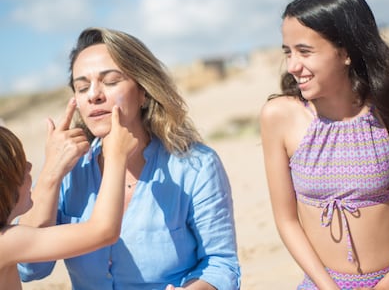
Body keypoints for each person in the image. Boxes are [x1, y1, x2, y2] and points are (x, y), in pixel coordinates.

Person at [18, 27, 240, 290]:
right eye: (82, 87)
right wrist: (51, 174)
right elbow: (30, 268)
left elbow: (221, 264)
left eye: (110, 81)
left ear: (144, 90)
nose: (94, 95)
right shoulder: (71, 171)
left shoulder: (196, 166)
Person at [260, 0, 389, 290]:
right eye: (287, 52)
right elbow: (287, 221)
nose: (293, 66)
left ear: (345, 52)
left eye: (304, 51)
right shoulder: (278, 116)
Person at [0, 104, 138, 290]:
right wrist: (116, 155)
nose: (30, 166)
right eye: (20, 167)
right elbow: (105, 231)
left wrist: (53, 171)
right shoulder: (7, 241)